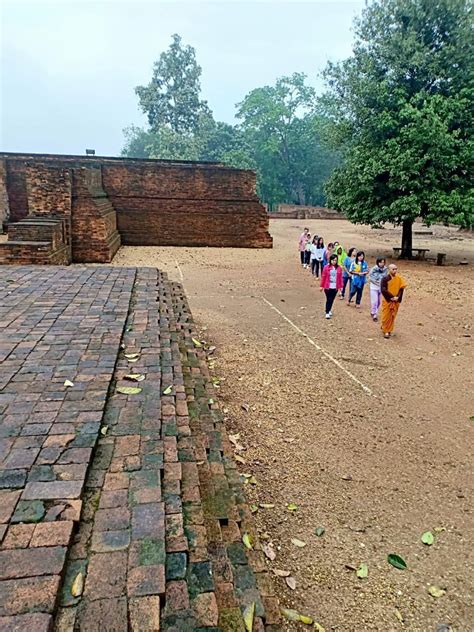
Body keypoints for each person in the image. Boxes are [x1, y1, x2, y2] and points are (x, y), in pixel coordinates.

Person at [381, 264, 407, 338]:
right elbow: (383, 290)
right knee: (386, 316)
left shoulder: (399, 278)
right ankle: (385, 330)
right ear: (389, 270)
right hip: (388, 300)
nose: (395, 271)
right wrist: (391, 297)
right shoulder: (385, 278)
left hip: (395, 300)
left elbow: (401, 288)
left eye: (396, 269)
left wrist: (397, 297)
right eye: (393, 269)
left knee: (392, 316)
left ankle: (388, 330)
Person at [320, 253, 343, 319]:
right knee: (329, 299)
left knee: (332, 299)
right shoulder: (326, 267)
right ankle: (327, 312)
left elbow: (340, 278)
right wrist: (322, 286)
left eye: (335, 260)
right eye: (333, 260)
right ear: (330, 260)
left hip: (335, 286)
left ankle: (329, 309)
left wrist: (341, 286)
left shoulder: (339, 268)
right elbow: (323, 277)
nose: (334, 262)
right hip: (328, 286)